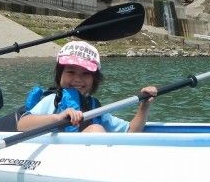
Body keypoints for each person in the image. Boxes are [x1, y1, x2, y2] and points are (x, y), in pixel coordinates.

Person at [15, 41, 156, 133]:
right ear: (60, 75)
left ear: (94, 79)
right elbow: (22, 124)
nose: (77, 79)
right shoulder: (53, 100)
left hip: (82, 158)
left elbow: (130, 131)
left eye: (85, 73)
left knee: (96, 128)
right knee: (96, 129)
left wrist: (144, 106)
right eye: (70, 72)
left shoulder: (95, 108)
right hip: (55, 155)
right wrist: (58, 118)